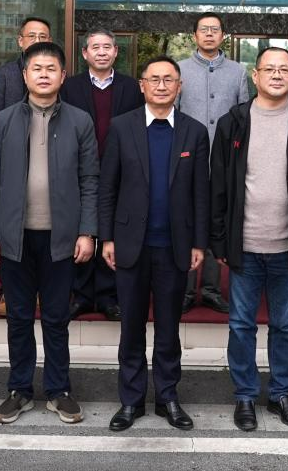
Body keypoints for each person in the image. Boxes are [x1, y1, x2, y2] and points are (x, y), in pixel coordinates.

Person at [0, 41, 98, 425]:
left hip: (61, 238)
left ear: (63, 76)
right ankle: (20, 389)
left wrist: (87, 231)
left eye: (51, 69)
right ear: (25, 75)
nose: (44, 75)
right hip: (15, 237)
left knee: (57, 317)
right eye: (37, 68)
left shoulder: (80, 121)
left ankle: (59, 390)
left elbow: (90, 181)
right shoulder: (4, 120)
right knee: (18, 316)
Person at [210, 47, 288, 432]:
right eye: (269, 69)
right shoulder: (233, 122)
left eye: (284, 70)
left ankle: (281, 393)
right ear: (255, 75)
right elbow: (218, 186)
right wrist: (219, 240)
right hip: (244, 245)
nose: (276, 75)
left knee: (285, 326)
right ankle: (245, 395)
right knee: (241, 325)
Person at [98, 56, 210, 432]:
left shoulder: (194, 132)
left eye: (169, 80)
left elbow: (200, 193)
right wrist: (107, 237)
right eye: (154, 79)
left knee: (168, 328)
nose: (162, 86)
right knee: (131, 326)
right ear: (142, 85)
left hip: (174, 246)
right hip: (130, 244)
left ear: (179, 86)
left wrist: (199, 242)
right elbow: (108, 187)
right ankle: (131, 400)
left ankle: (167, 397)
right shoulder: (121, 127)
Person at [61, 28, 143, 322]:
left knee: (112, 230)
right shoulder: (70, 87)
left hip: (120, 168)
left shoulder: (131, 88)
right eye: (95, 47)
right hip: (79, 167)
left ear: (116, 52)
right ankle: (82, 295)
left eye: (107, 47)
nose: (101, 52)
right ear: (85, 53)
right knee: (82, 230)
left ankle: (108, 296)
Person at [177, 12, 250, 315]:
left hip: (224, 161)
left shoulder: (238, 71)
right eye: (203, 29)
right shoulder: (179, 69)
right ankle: (184, 289)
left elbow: (244, 116)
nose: (209, 34)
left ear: (223, 35)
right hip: (185, 160)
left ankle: (210, 289)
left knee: (215, 223)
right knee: (185, 223)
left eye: (215, 29)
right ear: (194, 35)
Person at [0, 15, 52, 317]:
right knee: (11, 230)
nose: (37, 40)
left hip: (47, 161)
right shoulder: (5, 75)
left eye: (43, 36)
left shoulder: (54, 73)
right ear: (20, 41)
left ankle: (43, 291)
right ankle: (8, 291)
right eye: (31, 35)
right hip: (11, 164)